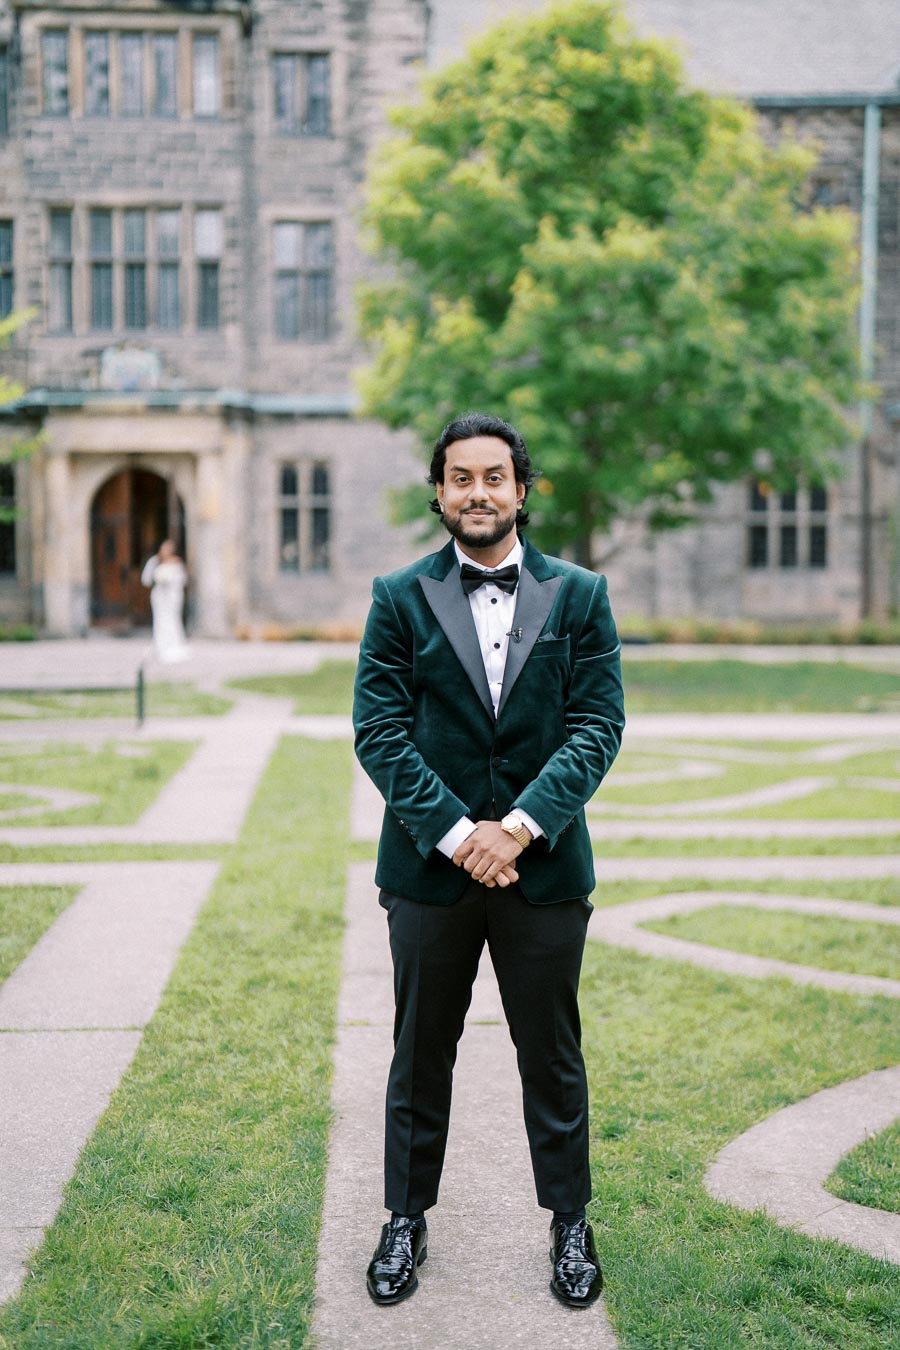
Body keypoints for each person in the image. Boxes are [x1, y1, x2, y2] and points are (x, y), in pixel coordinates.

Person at [352, 411, 625, 1309]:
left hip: (543, 874)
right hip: (430, 874)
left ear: (522, 490)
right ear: (439, 491)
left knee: (552, 1057)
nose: (478, 492)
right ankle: (404, 1218)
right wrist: (462, 835)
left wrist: (518, 826)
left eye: (494, 477)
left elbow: (597, 726)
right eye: (461, 477)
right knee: (418, 1053)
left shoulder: (580, 595)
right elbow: (380, 733)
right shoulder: (398, 597)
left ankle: (570, 1224)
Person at [141, 539, 189, 662]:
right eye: (164, 548)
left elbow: (182, 580)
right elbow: (146, 579)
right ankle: (160, 645)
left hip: (172, 597)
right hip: (159, 597)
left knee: (172, 620)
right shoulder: (154, 561)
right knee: (160, 621)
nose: (166, 551)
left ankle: (172, 644)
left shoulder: (176, 562)